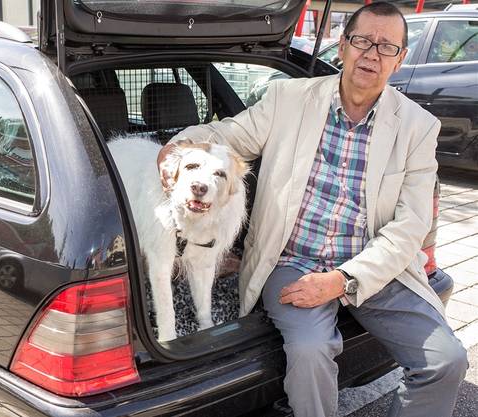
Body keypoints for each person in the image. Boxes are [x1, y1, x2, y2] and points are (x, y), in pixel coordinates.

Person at [157, 3, 468, 416]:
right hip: (292, 261)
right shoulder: (289, 98)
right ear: (342, 46)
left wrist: (343, 279)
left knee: (447, 361)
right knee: (309, 350)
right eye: (362, 41)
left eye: (386, 47)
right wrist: (178, 146)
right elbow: (228, 135)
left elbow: (410, 226)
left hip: (373, 264)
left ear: (400, 59)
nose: (372, 54)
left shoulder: (417, 126)